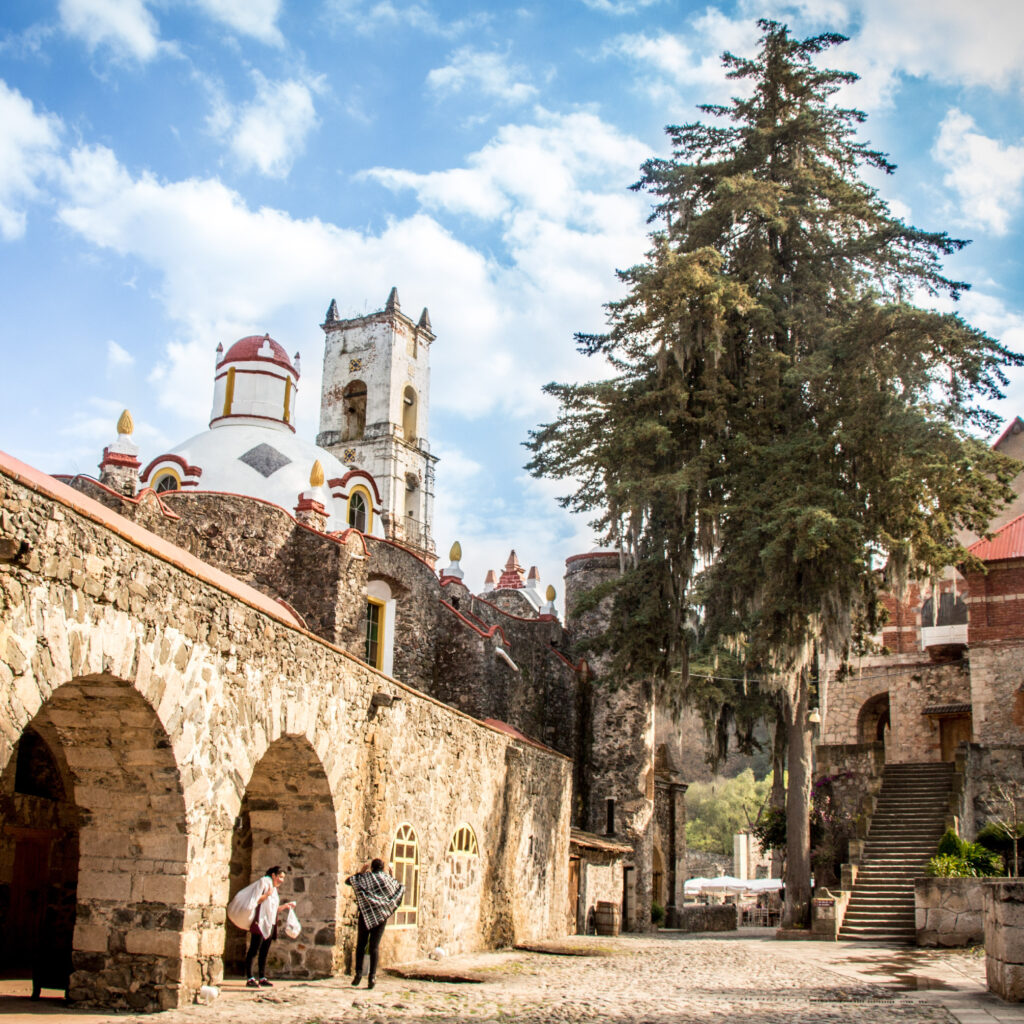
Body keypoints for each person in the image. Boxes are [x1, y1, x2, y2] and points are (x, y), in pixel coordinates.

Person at [345, 858, 404, 989]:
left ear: (371, 868)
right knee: (374, 947)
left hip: (366, 916)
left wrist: (360, 872)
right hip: (381, 917)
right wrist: (392, 874)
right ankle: (372, 976)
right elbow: (398, 888)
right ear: (383, 868)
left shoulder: (366, 878)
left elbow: (349, 881)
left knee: (361, 944)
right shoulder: (388, 880)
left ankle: (358, 974)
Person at [245, 866, 295, 989]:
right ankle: (250, 977)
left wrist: (285, 907)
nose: (282, 880)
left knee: (264, 951)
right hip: (260, 921)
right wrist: (267, 894)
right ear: (273, 875)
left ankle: (262, 977)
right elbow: (256, 900)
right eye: (280, 877)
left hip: (270, 922)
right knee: (254, 949)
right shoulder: (264, 883)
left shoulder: (274, 888)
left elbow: (273, 908)